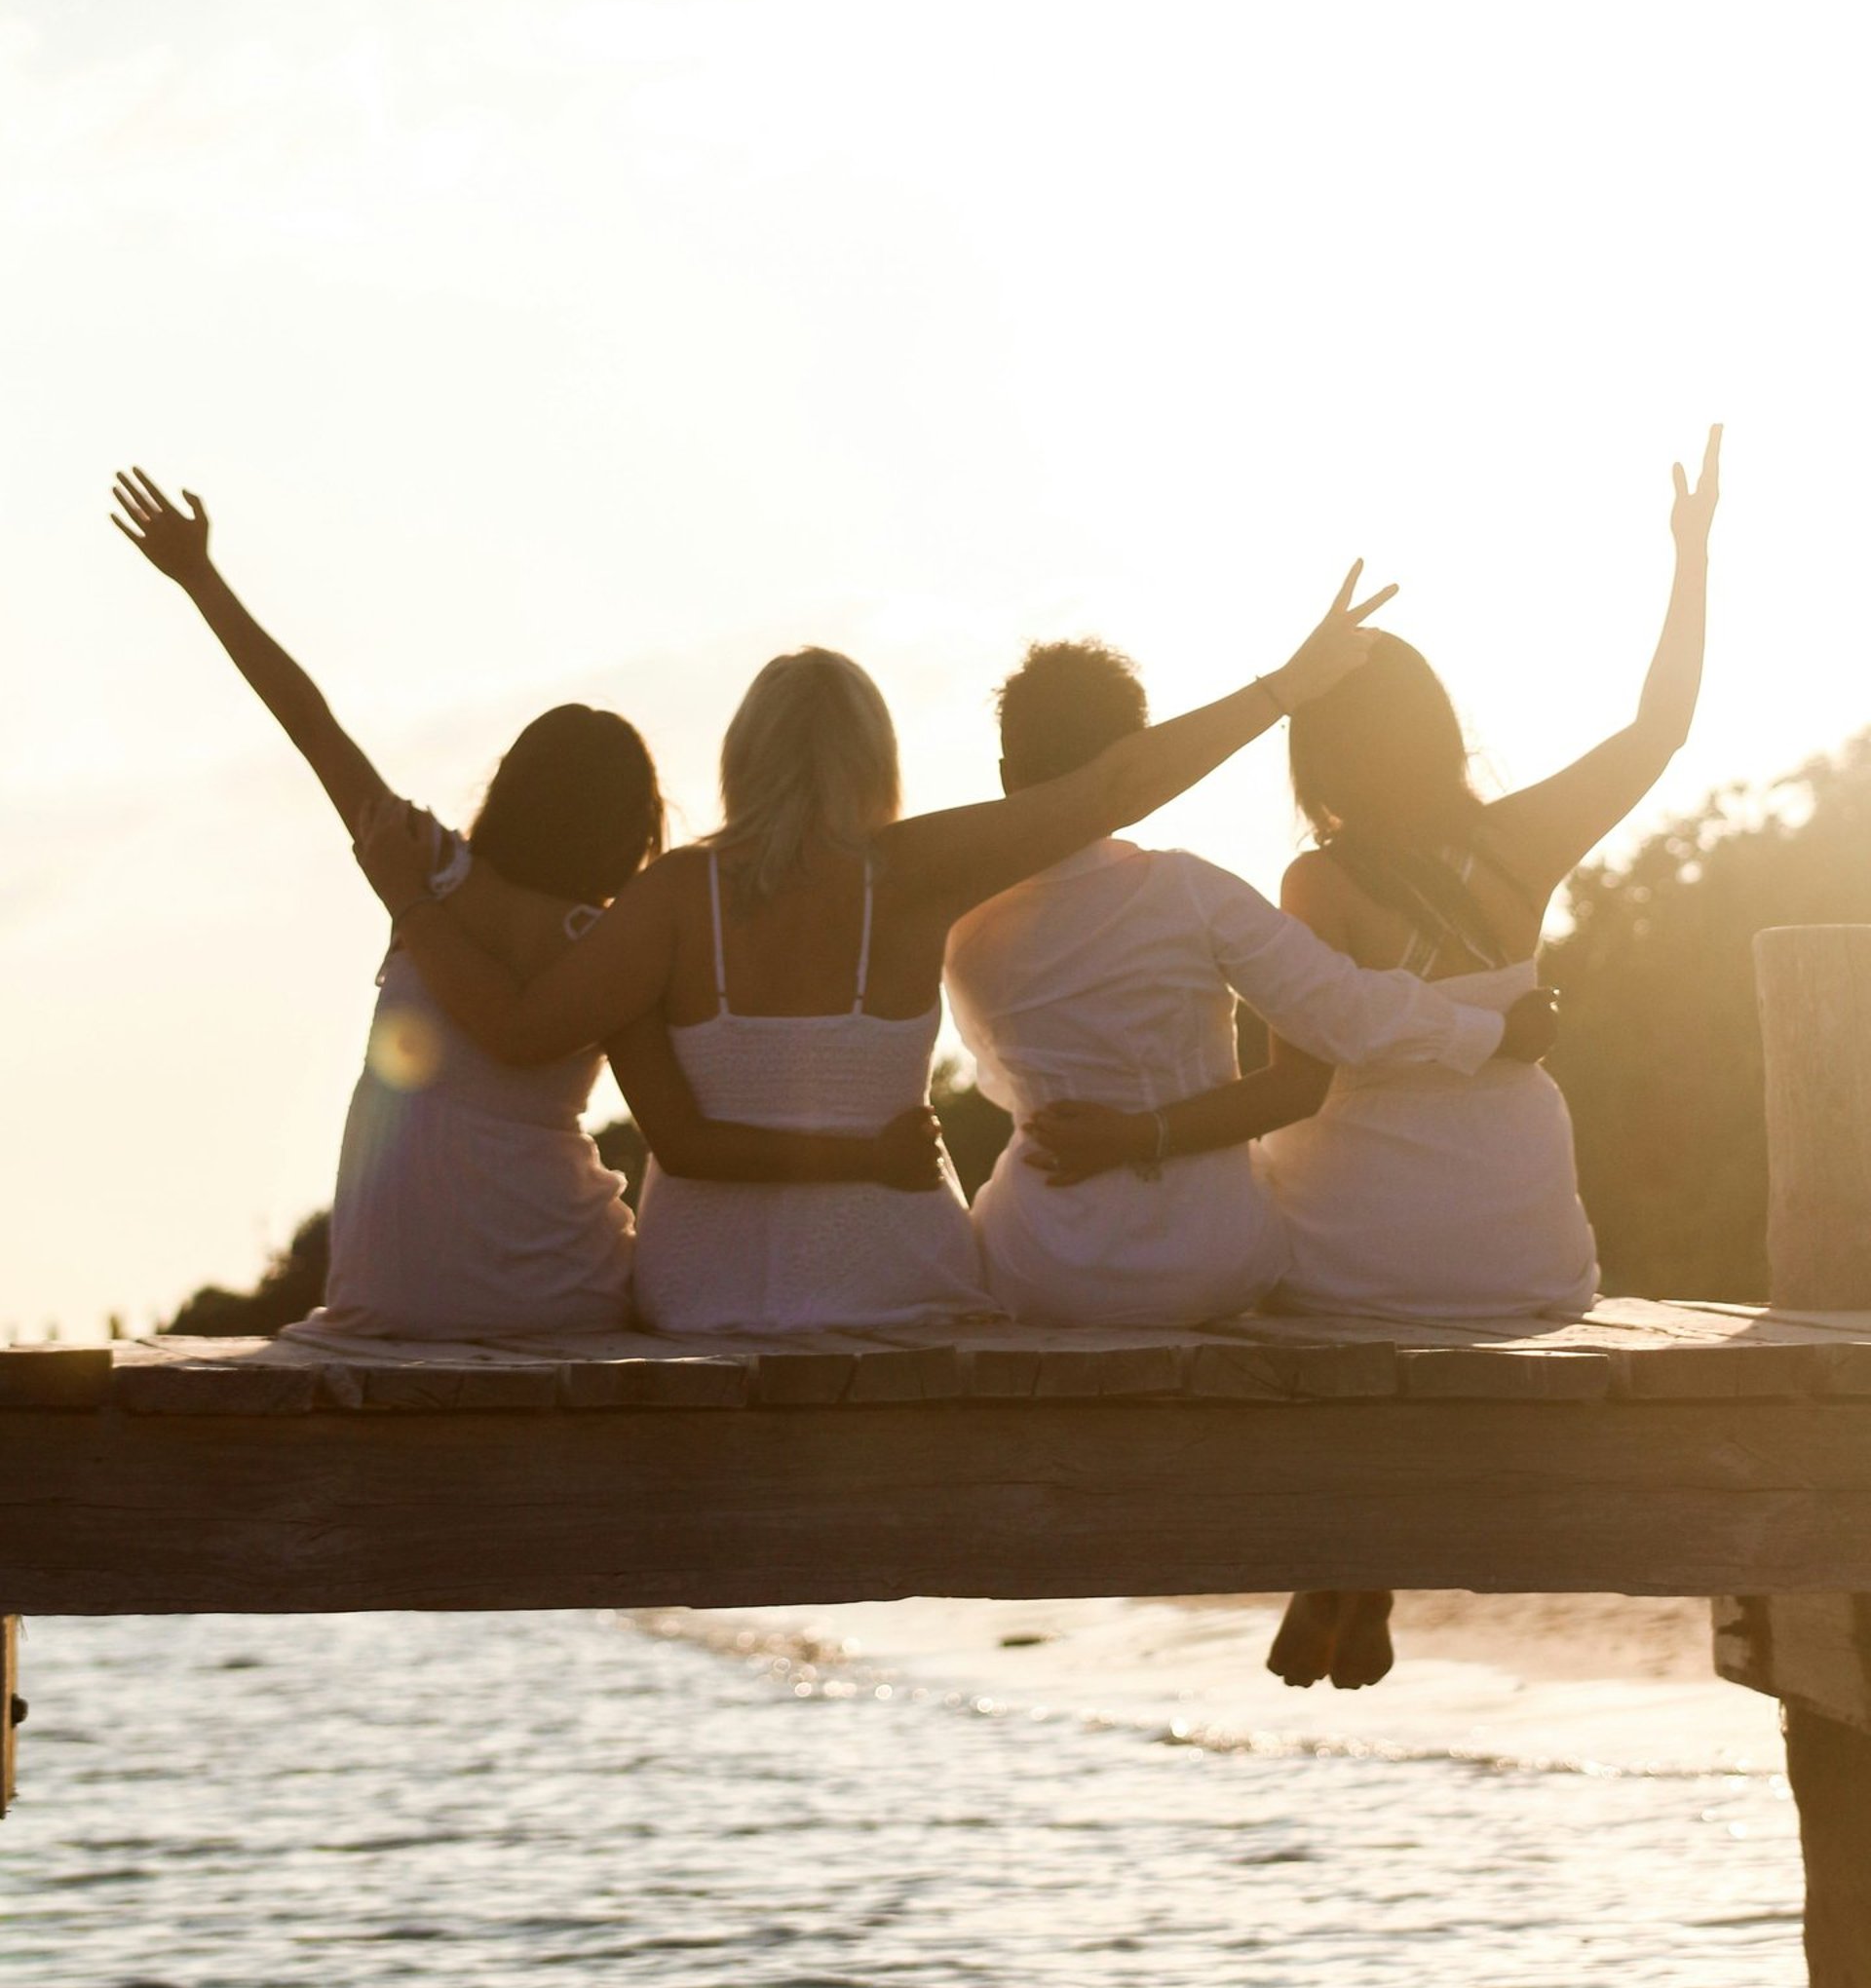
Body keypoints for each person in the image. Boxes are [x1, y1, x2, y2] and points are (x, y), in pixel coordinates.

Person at [1023, 429, 1722, 1686]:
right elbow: (1661, 724)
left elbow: (1296, 1084)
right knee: (1402, 1268)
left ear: (1323, 759)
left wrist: (1128, 1139)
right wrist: (1693, 553)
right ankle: (1354, 1576)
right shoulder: (1523, 845)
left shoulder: (1318, 881)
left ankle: (1342, 1563)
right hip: (1528, 1259)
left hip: (1357, 1269)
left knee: (1280, 1265)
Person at [351, 566, 1407, 1335]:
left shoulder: (673, 894)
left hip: (699, 1298)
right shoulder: (912, 873)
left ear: (741, 757)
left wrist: (419, 904)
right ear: (875, 758)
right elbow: (1109, 792)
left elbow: (523, 1029)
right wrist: (1285, 689)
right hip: (897, 1287)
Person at [110, 470, 941, 1341]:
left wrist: (202, 580)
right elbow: (687, 1130)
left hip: (387, 1301)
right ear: (631, 830)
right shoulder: (617, 941)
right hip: (561, 1287)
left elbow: (310, 723)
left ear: (511, 786)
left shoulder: (426, 872)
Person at [944, 645, 1558, 1328]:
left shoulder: (962, 921)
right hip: (1213, 1264)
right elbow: (1344, 1012)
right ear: (1146, 760)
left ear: (1006, 776)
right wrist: (1495, 1030)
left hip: (1042, 1266)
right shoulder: (1193, 892)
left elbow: (997, 1083)